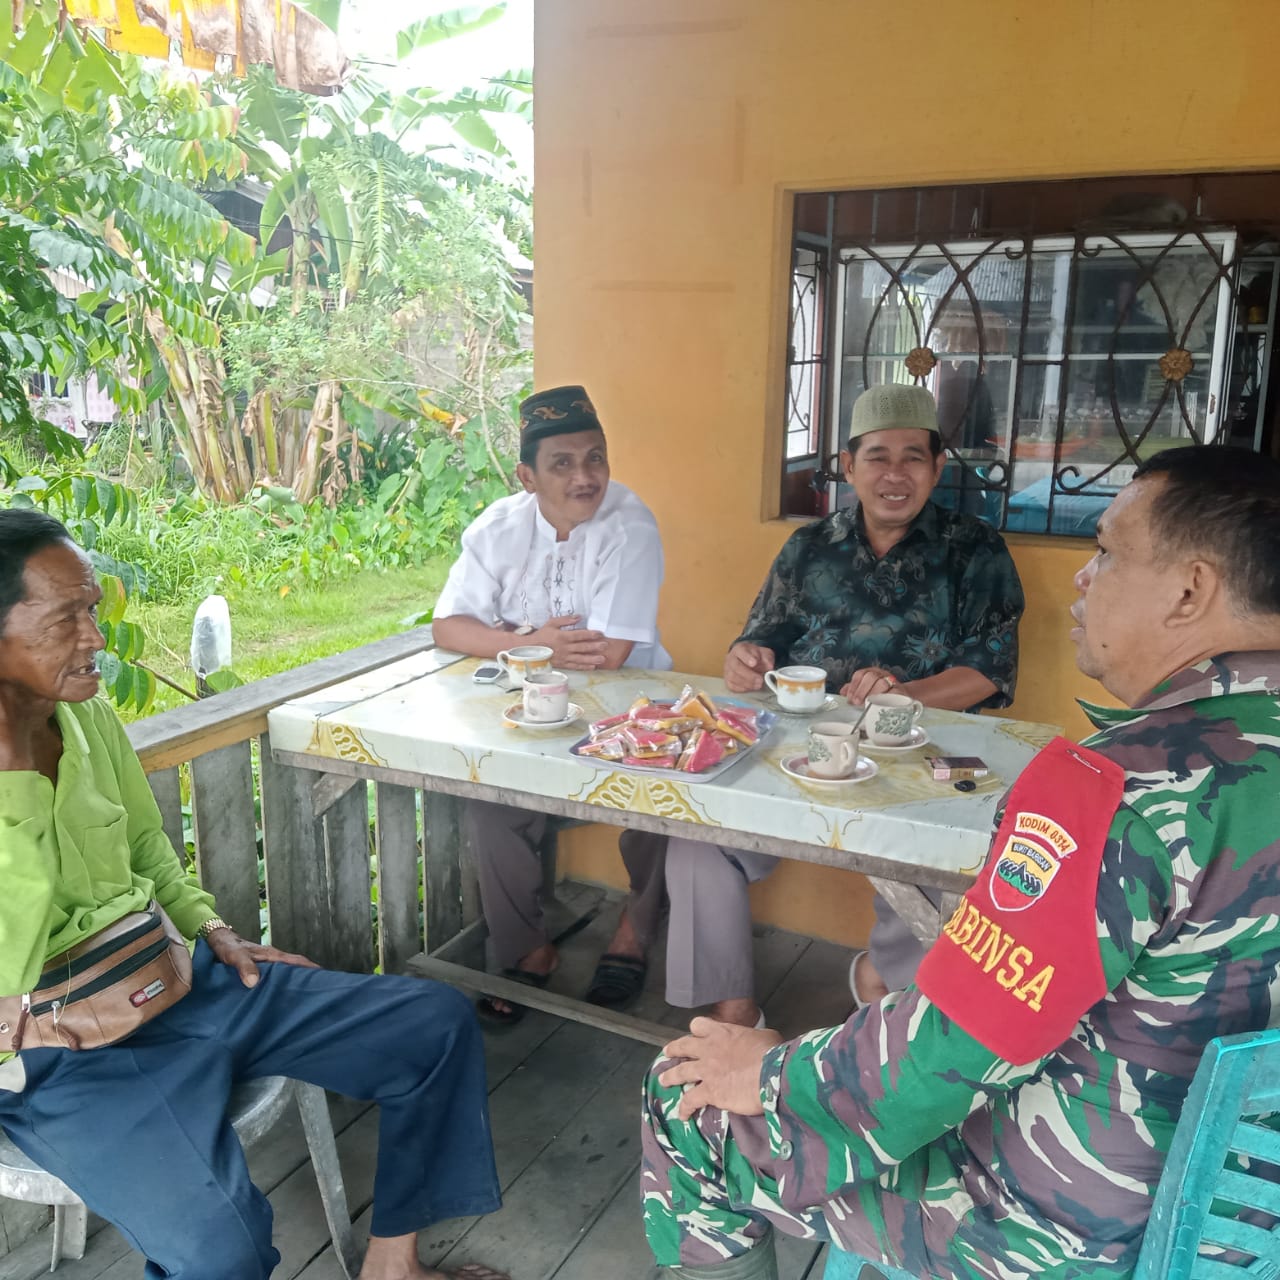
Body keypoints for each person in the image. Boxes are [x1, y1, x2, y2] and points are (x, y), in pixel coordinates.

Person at [640, 444, 1280, 1280]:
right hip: (1248, 1207)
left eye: (1108, 552)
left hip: (1078, 1223)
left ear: (1190, 590)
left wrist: (767, 1073)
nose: (1084, 580)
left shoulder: (1123, 791)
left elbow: (940, 1059)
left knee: (685, 1093)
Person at [0, 509, 509, 1280]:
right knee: (222, 1253)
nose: (96, 639)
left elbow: (145, 846)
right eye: (67, 617)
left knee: (431, 1024)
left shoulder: (88, 718)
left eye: (93, 611)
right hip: (62, 1053)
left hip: (177, 979)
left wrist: (211, 927)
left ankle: (391, 1268)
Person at [666, 383, 1024, 1028]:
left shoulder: (975, 548)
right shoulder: (810, 546)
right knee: (699, 841)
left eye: (913, 457)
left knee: (946, 871)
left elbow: (988, 669)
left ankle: (882, 983)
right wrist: (744, 656)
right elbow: (764, 633)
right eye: (877, 456)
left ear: (938, 467)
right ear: (849, 464)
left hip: (914, 753)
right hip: (796, 744)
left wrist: (905, 694)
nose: (894, 474)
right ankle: (733, 1012)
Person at [432, 384, 670, 1023]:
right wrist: (535, 643)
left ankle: (635, 930)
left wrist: (506, 641)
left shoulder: (631, 525)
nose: (585, 476)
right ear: (527, 477)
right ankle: (526, 947)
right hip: (529, 704)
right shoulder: (497, 528)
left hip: (628, 707)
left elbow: (611, 655)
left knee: (664, 810)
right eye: (562, 463)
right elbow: (448, 628)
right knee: (490, 801)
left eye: (596, 458)